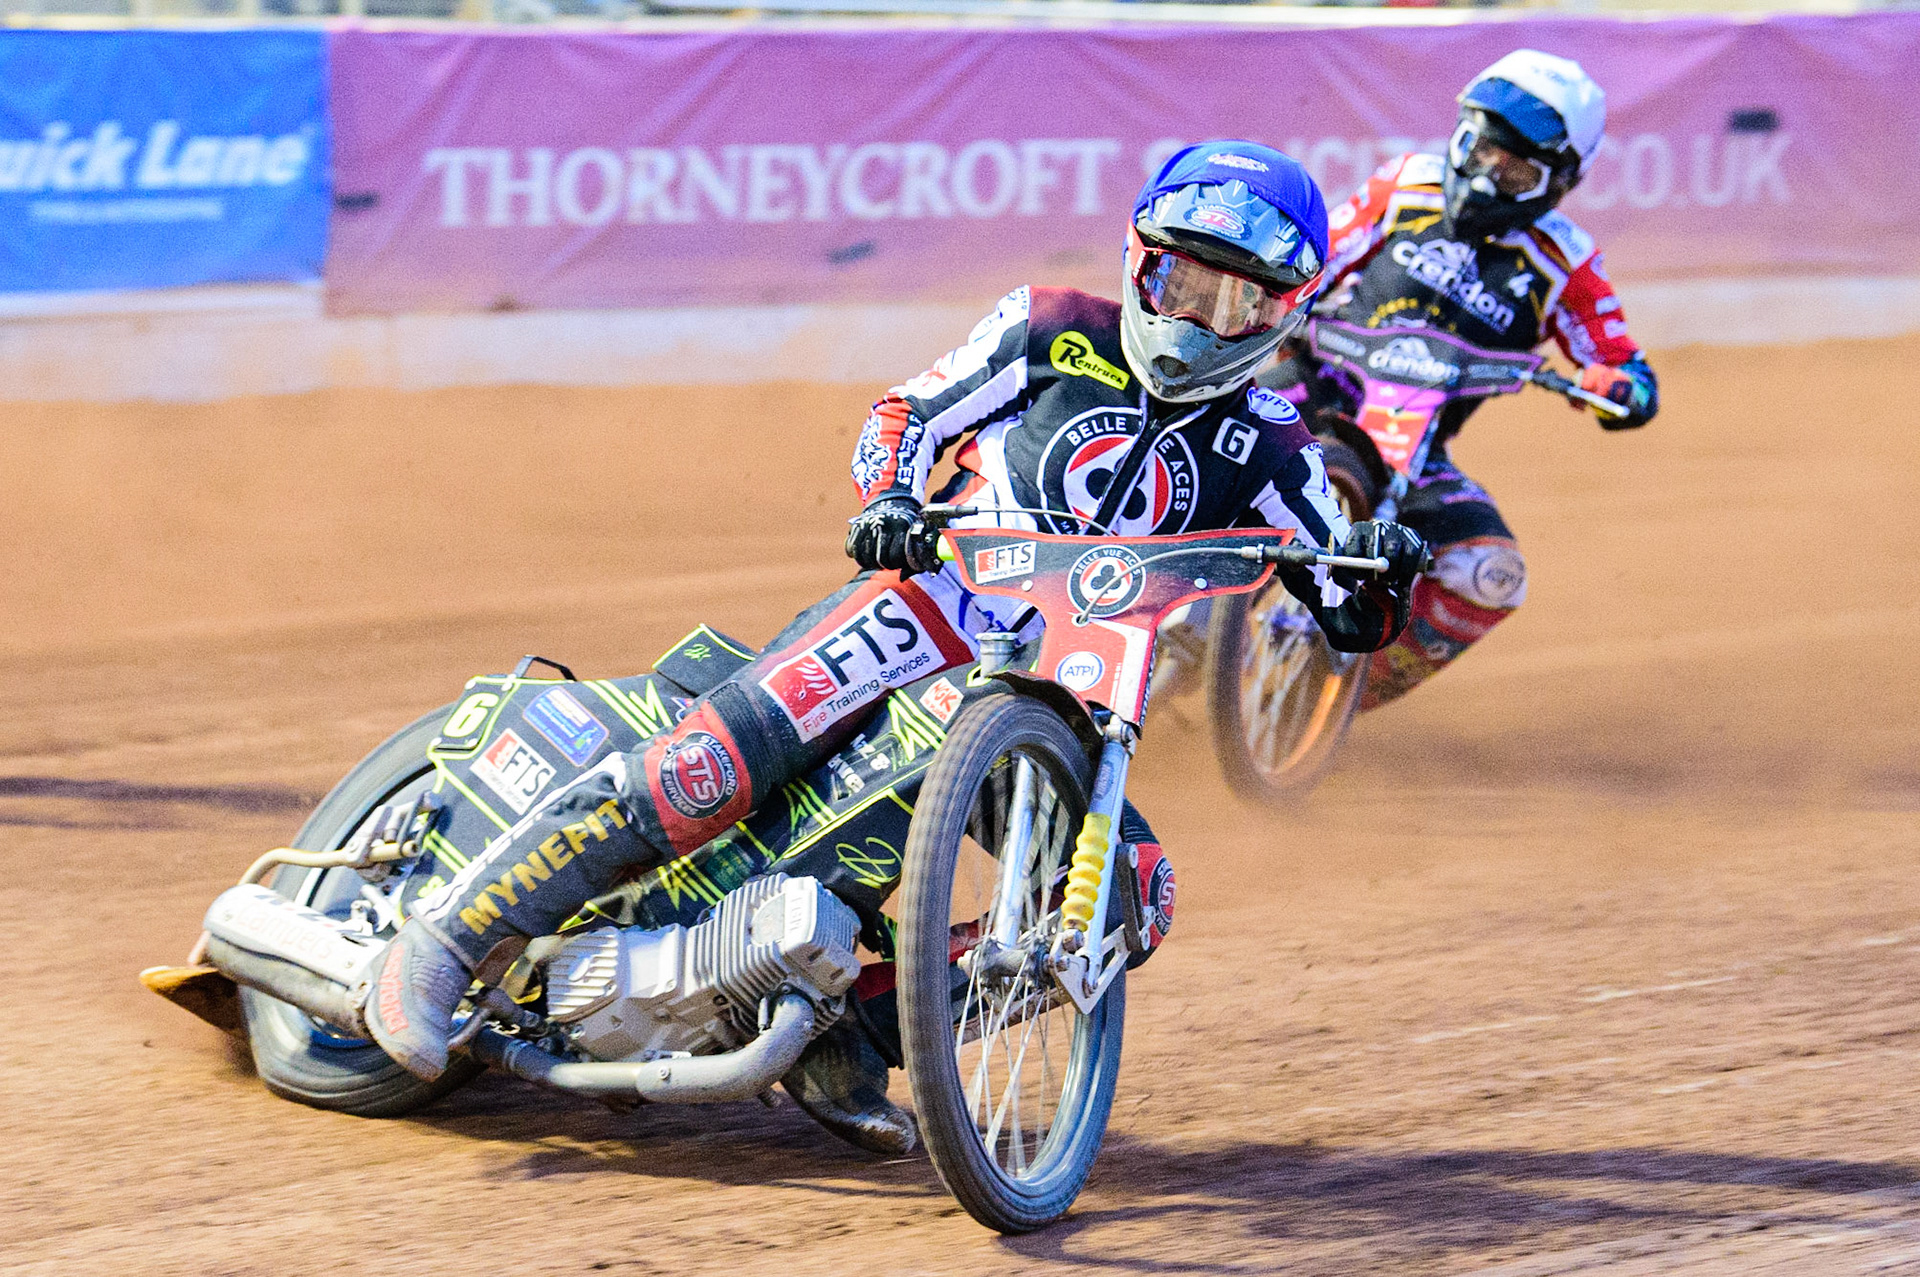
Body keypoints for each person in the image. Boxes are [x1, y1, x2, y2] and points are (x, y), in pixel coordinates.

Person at [361, 140, 1428, 1152]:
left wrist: (1385, 573)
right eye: (1184, 283)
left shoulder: (1280, 446)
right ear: (1141, 263)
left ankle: (854, 1036)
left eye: (1235, 298)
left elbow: (1344, 601)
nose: (1200, 319)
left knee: (1125, 901)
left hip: (1064, 693)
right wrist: (891, 500)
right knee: (705, 769)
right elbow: (904, 412)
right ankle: (448, 939)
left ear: (1279, 313)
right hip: (932, 604)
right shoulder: (1049, 326)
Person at [1261, 50, 1659, 710]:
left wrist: (1618, 387)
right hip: (1316, 382)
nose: (1488, 175)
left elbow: (1628, 369)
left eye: (1517, 168)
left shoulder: (1567, 262)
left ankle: (1326, 696)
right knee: (1198, 438)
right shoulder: (1405, 186)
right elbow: (1314, 253)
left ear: (1560, 181)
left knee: (1492, 575)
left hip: (1413, 454)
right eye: (1481, 150)